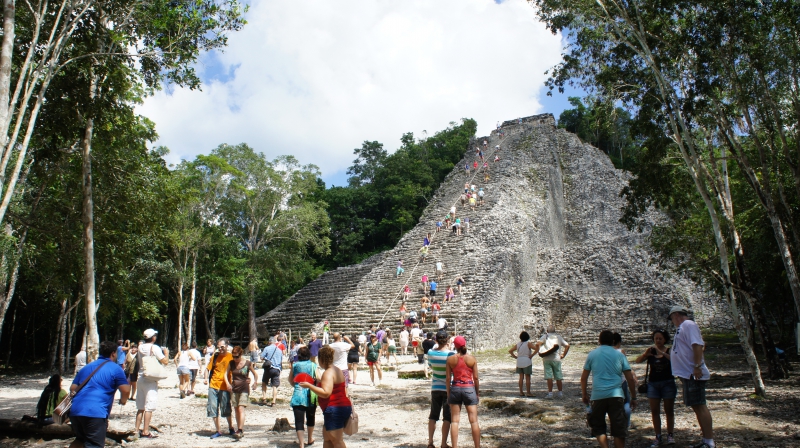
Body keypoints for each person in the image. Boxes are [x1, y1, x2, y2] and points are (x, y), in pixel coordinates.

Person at [582, 330, 637, 448]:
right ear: (613, 341)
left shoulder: (592, 354)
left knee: (598, 426)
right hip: (616, 395)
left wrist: (584, 394)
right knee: (618, 428)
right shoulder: (619, 355)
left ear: (599, 340)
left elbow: (584, 377)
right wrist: (633, 397)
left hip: (598, 395)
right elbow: (630, 378)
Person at [69, 341, 130, 448]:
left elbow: (73, 388)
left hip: (76, 410)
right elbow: (125, 390)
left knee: (80, 440)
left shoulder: (87, 367)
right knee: (94, 445)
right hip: (95, 411)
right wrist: (123, 401)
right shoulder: (116, 369)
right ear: (113, 353)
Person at [668, 305, 714, 448]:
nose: (672, 321)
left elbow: (698, 345)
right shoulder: (681, 328)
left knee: (700, 405)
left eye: (671, 318)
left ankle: (709, 441)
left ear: (675, 315)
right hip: (688, 374)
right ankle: (705, 440)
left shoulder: (688, 324)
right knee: (696, 406)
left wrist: (697, 366)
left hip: (693, 373)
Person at [299, 346, 352, 448]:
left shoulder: (328, 373)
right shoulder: (337, 370)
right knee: (327, 439)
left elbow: (326, 392)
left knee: (336, 440)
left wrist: (309, 386)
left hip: (334, 408)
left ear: (321, 359)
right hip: (340, 407)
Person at [635, 329, 677, 447]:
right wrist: (645, 355)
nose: (658, 341)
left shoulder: (669, 350)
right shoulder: (651, 351)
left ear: (665, 340)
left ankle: (670, 434)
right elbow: (638, 361)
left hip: (668, 382)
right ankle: (658, 436)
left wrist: (662, 352)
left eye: (660, 339)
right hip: (653, 384)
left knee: (669, 410)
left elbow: (675, 360)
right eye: (656, 339)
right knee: (655, 411)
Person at [446, 335, 480, 448]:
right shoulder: (472, 359)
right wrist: (477, 392)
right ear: (464, 344)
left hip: (455, 388)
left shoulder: (450, 359)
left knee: (455, 421)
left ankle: (454, 446)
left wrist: (448, 393)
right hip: (469, 388)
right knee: (474, 421)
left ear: (454, 346)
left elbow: (447, 378)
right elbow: (475, 378)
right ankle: (477, 446)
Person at [135, 329, 168, 439]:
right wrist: (166, 353)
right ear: (153, 337)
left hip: (140, 377)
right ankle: (145, 431)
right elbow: (165, 361)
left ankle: (136, 430)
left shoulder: (140, 347)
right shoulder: (154, 348)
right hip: (150, 379)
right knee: (149, 407)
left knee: (140, 407)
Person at [224, 345, 259, 438]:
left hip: (244, 388)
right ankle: (238, 429)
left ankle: (240, 429)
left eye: (237, 356)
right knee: (236, 409)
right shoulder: (231, 363)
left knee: (241, 408)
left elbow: (255, 374)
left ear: (241, 355)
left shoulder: (248, 363)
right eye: (233, 356)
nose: (235, 358)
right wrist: (227, 383)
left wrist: (255, 382)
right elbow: (225, 374)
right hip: (234, 388)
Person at [427, 330, 454, 448]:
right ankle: (443, 443)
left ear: (436, 340)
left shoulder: (430, 353)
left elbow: (430, 366)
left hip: (435, 387)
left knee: (433, 415)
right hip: (448, 388)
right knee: (447, 417)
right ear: (447, 340)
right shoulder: (451, 354)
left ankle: (430, 442)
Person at [205, 338, 234, 439]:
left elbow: (236, 370)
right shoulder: (215, 356)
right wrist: (205, 378)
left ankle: (231, 427)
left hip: (225, 387)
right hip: (213, 385)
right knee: (213, 408)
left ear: (227, 346)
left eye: (222, 347)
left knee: (226, 408)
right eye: (218, 347)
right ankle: (218, 430)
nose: (220, 349)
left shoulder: (231, 357)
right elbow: (208, 368)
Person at [290, 346, 318, 447]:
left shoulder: (295, 365)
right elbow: (318, 378)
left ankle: (301, 444)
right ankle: (310, 438)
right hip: (311, 394)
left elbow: (290, 380)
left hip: (298, 394)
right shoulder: (313, 365)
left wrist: (297, 386)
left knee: (299, 420)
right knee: (311, 417)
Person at [532, 325, 570, 398]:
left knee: (549, 376)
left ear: (547, 330)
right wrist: (563, 355)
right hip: (556, 358)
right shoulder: (558, 337)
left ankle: (550, 393)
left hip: (547, 358)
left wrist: (539, 351)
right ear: (555, 331)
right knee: (558, 376)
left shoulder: (545, 336)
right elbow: (567, 345)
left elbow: (537, 344)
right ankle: (560, 393)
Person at [613, 333, 636, 428]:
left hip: (609, 383)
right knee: (626, 402)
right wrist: (632, 374)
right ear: (619, 342)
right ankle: (627, 423)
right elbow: (626, 367)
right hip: (621, 381)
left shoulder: (602, 352)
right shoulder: (620, 351)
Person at [509, 331, 535, 397]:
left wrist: (515, 357)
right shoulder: (528, 344)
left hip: (519, 361)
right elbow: (536, 348)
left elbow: (510, 351)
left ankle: (521, 392)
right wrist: (532, 355)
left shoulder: (518, 344)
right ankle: (528, 392)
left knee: (521, 377)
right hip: (527, 361)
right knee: (528, 377)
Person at [261, 337, 284, 406]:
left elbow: (261, 357)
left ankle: (264, 398)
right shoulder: (279, 350)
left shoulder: (267, 348)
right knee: (274, 386)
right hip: (277, 369)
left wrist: (266, 358)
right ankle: (273, 401)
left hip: (269, 368)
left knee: (264, 382)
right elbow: (281, 361)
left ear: (269, 342)